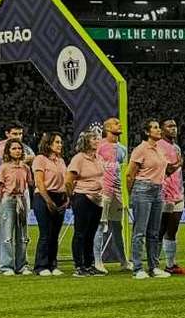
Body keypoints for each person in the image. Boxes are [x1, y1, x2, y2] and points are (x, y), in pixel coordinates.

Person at [128, 120, 172, 280]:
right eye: (155, 127)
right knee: (139, 231)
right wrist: (131, 193)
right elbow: (130, 173)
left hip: (158, 189)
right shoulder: (140, 149)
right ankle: (138, 267)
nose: (158, 130)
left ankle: (154, 267)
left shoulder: (159, 149)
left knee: (154, 232)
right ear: (147, 132)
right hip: (143, 189)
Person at [0, 122, 35, 268]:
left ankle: (21, 264)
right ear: (7, 134)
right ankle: (4, 264)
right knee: (5, 233)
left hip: (22, 196)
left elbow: (33, 163)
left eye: (20, 134)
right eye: (15, 134)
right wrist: (1, 202)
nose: (18, 137)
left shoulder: (25, 159)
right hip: (8, 195)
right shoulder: (1, 147)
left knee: (23, 232)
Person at [65, 131, 105, 278]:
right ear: (86, 142)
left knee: (91, 234)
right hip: (83, 197)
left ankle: (89, 264)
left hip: (97, 199)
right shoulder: (78, 159)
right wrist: (73, 197)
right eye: (93, 138)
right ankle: (79, 266)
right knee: (80, 233)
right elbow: (69, 180)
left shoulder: (98, 158)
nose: (97, 140)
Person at [93, 117, 128, 274]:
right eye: (115, 123)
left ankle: (123, 261)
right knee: (100, 226)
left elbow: (120, 170)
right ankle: (97, 261)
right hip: (103, 191)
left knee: (117, 227)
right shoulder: (99, 146)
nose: (119, 125)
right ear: (107, 128)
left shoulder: (122, 149)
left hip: (117, 192)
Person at [32, 132, 68, 277]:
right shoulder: (40, 159)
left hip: (60, 197)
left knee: (55, 234)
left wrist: (66, 198)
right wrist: (48, 200)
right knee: (45, 233)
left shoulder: (61, 161)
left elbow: (65, 181)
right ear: (48, 144)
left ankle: (53, 264)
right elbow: (39, 182)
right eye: (57, 142)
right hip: (43, 196)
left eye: (60, 142)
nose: (60, 145)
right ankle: (40, 266)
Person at [158, 119, 185, 276]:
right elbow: (167, 169)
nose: (173, 129)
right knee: (160, 229)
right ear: (162, 130)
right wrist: (179, 164)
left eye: (175, 126)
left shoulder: (176, 147)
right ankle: (154, 263)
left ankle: (170, 264)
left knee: (172, 230)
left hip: (177, 193)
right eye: (169, 126)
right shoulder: (158, 146)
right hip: (164, 193)